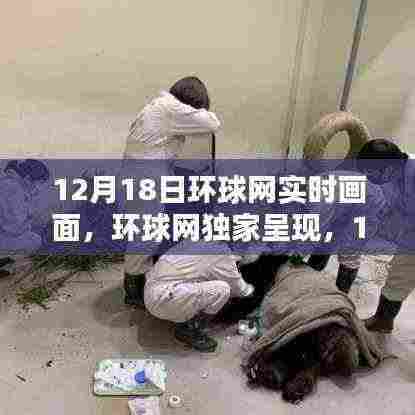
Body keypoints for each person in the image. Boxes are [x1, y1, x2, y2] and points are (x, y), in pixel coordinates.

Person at [122, 77, 221, 307]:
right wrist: (198, 112)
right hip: (145, 180)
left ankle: (137, 285)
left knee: (144, 234)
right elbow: (212, 124)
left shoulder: (157, 107)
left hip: (139, 175)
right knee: (146, 236)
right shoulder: (171, 109)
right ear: (191, 102)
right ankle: (134, 292)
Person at [243, 257, 387, 404]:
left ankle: (289, 365)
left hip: (315, 296)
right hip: (317, 293)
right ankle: (300, 366)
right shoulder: (300, 269)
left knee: (301, 325)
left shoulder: (278, 266)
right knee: (308, 326)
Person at [144, 240, 255, 353]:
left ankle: (180, 315)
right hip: (163, 300)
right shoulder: (222, 253)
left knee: (203, 279)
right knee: (223, 289)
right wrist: (252, 292)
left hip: (151, 289)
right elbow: (239, 288)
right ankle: (190, 330)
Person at [0, 159, 50, 276]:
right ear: (28, 179)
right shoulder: (13, 189)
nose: (39, 188)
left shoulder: (9, 184)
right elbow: (13, 228)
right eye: (39, 183)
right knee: (34, 240)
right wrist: (32, 216)